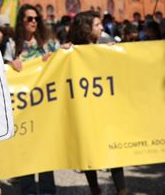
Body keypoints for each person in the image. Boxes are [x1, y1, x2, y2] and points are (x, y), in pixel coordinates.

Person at [67, 11, 128, 195]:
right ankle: (95, 189)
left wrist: (113, 52)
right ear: (86, 28)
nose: (102, 27)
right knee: (89, 151)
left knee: (113, 148)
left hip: (106, 109)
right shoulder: (72, 51)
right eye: (97, 24)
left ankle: (122, 190)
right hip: (85, 110)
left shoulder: (105, 44)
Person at [6, 4, 58, 195]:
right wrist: (11, 63)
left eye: (36, 18)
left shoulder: (48, 43)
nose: (34, 22)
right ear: (22, 21)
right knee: (25, 150)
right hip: (24, 108)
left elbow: (62, 60)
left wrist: (61, 54)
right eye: (29, 18)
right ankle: (28, 191)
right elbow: (4, 69)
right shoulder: (13, 45)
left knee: (45, 149)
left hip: (44, 105)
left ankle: (47, 191)